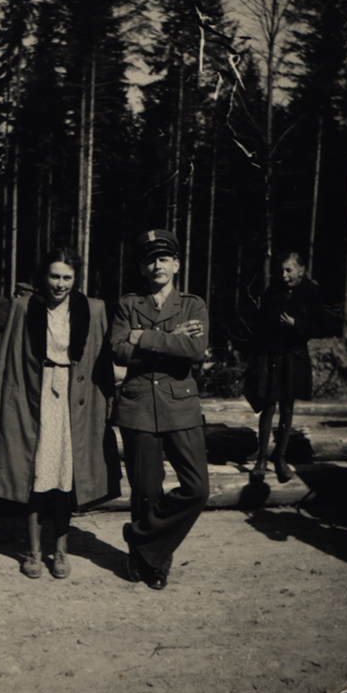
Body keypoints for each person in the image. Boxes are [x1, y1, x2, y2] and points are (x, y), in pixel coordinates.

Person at [0, 247, 122, 579]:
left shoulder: (93, 308)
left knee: (65, 477)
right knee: (35, 474)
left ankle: (60, 550)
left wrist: (108, 406)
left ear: (76, 278)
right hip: (35, 399)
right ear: (43, 277)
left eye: (67, 277)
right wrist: (0, 405)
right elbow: (7, 357)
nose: (60, 284)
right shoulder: (24, 306)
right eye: (54, 276)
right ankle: (33, 550)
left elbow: (103, 363)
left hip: (76, 403)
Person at [110, 229, 210, 590]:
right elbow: (118, 350)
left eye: (164, 259)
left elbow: (195, 351)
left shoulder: (193, 305)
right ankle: (151, 563)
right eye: (151, 260)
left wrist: (144, 337)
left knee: (197, 488)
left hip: (179, 404)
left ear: (176, 265)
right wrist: (172, 338)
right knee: (146, 491)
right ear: (142, 267)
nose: (158, 266)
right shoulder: (128, 304)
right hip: (138, 405)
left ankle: (139, 536)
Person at [244, 251, 325, 483]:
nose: (284, 275)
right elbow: (261, 322)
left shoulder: (311, 293)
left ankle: (280, 458)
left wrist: (296, 324)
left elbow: (321, 327)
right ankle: (261, 460)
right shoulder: (274, 290)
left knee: (287, 407)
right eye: (281, 270)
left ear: (301, 270)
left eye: (289, 270)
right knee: (268, 404)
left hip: (293, 358)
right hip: (272, 355)